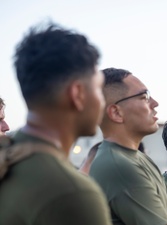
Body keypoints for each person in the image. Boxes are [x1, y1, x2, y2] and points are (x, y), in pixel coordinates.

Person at [0, 22, 112, 225]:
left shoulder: (7, 156)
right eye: (98, 88)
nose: (102, 101)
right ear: (77, 94)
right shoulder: (73, 193)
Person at [89, 68, 167, 225]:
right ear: (116, 112)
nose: (155, 103)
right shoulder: (118, 166)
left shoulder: (140, 159)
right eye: (144, 97)